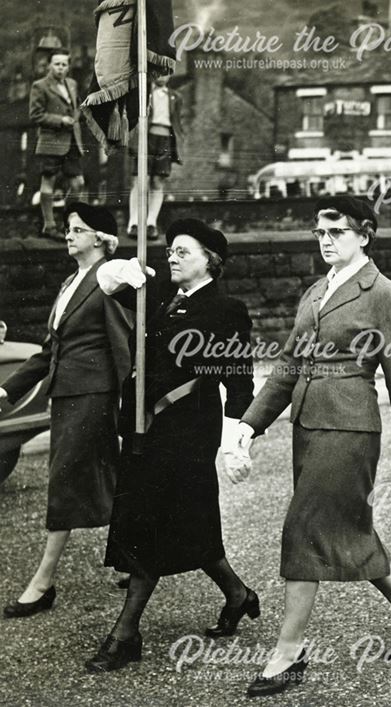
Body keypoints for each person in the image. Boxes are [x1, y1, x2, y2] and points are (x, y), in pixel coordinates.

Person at [237, 196, 391, 697]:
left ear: (365, 235)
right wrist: (248, 424)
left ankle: (289, 651)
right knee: (345, 529)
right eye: (320, 233)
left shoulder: (384, 293)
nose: (326, 241)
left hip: (348, 431)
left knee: (303, 530)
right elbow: (287, 366)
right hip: (308, 427)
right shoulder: (317, 290)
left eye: (337, 232)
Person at [86, 219, 258, 672]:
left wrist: (236, 440)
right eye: (171, 251)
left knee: (151, 528)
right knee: (187, 525)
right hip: (144, 431)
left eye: (183, 251)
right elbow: (108, 287)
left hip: (185, 435)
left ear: (210, 261)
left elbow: (239, 385)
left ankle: (125, 635)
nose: (172, 257)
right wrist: (120, 272)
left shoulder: (226, 309)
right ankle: (238, 595)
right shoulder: (160, 297)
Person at [1, 203, 131, 619]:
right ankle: (141, 554)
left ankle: (43, 583)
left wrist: (128, 403)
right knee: (107, 477)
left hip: (93, 397)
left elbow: (123, 347)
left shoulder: (107, 281)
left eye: (78, 230)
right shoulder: (70, 282)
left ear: (100, 239)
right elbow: (48, 351)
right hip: (68, 396)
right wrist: (6, 390)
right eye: (69, 229)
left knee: (64, 480)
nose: (68, 235)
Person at [29, 50, 85, 240]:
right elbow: (36, 115)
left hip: (72, 141)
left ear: (68, 66)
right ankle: (49, 225)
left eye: (64, 64)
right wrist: (60, 120)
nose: (61, 68)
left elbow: (76, 107)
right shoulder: (40, 86)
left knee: (78, 184)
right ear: (49, 66)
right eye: (57, 64)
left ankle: (66, 223)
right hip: (51, 141)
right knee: (49, 181)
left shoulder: (72, 84)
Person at [127, 74, 183, 241]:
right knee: (140, 180)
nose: (162, 76)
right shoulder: (143, 92)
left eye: (166, 72)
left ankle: (151, 223)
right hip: (146, 138)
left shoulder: (175, 96)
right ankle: (134, 223)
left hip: (165, 139)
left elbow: (176, 122)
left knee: (158, 181)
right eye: (158, 72)